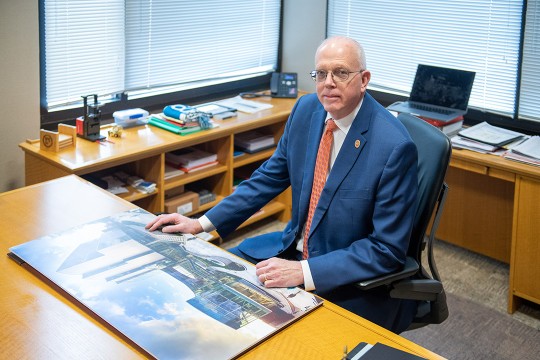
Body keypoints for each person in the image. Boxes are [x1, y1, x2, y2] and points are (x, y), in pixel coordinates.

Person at [146, 36, 419, 333]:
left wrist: (304, 271)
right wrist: (200, 224)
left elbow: (386, 250)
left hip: (345, 276)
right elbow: (269, 177)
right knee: (207, 287)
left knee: (279, 341)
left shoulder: (393, 146)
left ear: (364, 79)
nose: (328, 83)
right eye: (321, 74)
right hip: (290, 248)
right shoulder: (307, 110)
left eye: (340, 73)